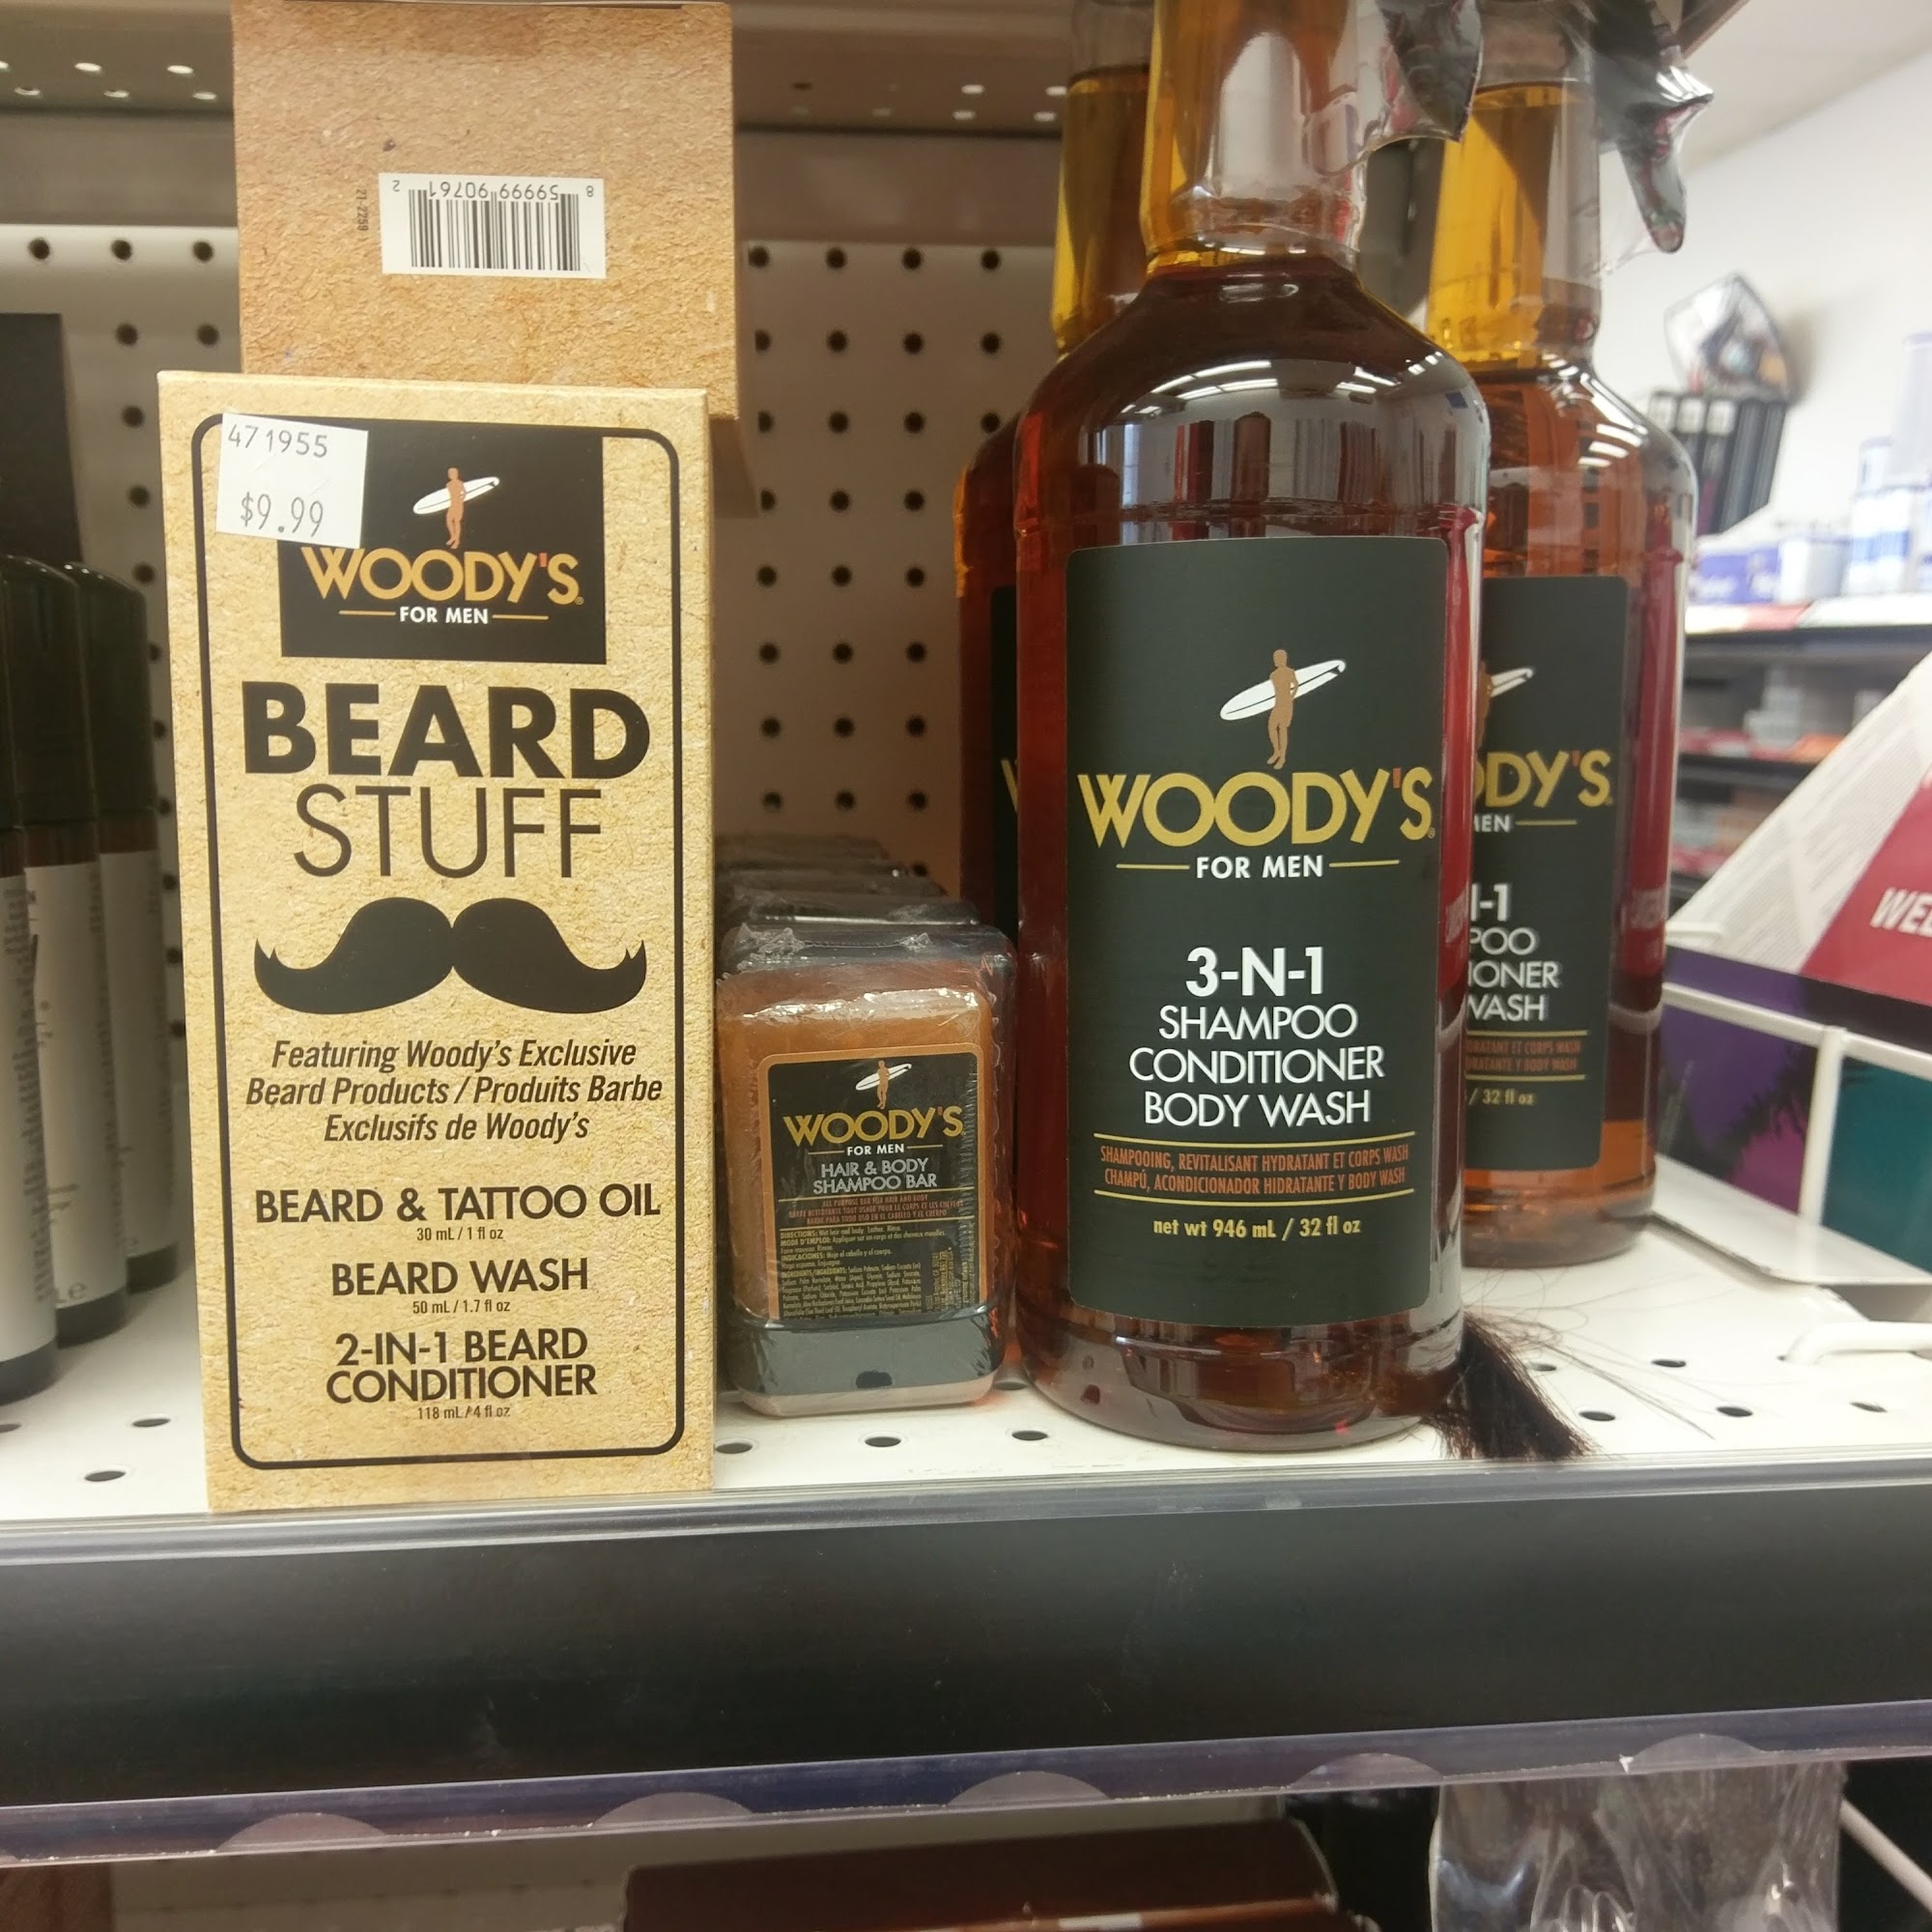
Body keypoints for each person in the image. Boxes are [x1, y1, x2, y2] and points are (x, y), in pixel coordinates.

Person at [1266, 648, 1297, 770]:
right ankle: (1276, 751)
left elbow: (1296, 685)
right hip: (1277, 704)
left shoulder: (1290, 672)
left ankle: (1282, 757)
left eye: (1278, 658)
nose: (1276, 660)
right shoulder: (1273, 675)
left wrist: (1291, 697)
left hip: (1286, 704)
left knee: (1283, 729)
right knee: (1271, 727)